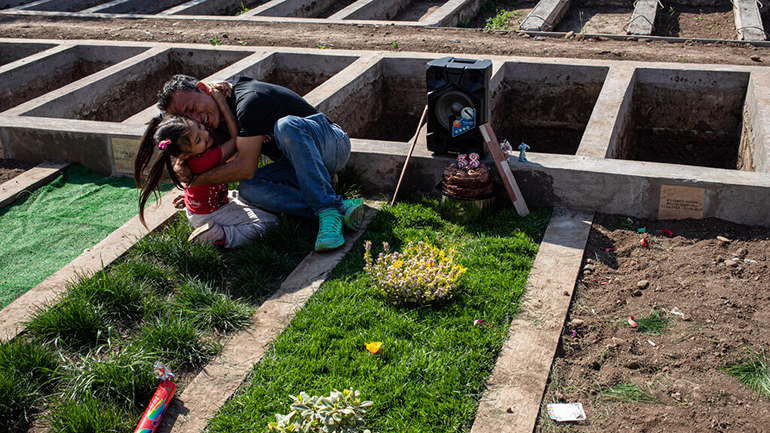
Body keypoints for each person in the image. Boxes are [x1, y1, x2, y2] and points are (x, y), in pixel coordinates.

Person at [156, 74, 363, 252]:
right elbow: (219, 163)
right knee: (249, 188)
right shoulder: (210, 120)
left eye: (192, 107)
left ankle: (327, 208)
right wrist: (195, 194)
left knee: (286, 126)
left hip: (332, 145)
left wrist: (196, 180)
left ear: (203, 88)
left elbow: (245, 168)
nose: (196, 119)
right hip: (295, 163)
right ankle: (336, 203)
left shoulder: (248, 101)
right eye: (187, 118)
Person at [134, 90, 278, 248]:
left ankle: (206, 221)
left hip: (202, 208)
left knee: (252, 199)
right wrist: (222, 105)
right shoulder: (206, 160)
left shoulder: (189, 159)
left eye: (199, 127)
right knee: (271, 223)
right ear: (184, 154)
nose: (205, 134)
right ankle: (220, 236)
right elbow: (236, 138)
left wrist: (194, 199)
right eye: (198, 140)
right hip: (210, 213)